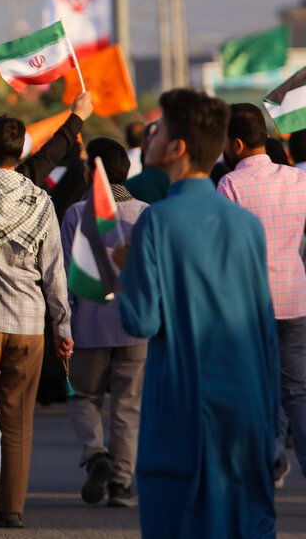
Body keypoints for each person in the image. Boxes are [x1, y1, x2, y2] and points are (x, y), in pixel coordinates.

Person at [116, 89, 278, 539]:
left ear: (177, 147)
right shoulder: (245, 225)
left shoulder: (156, 221)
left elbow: (141, 321)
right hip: (245, 408)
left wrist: (124, 272)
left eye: (159, 128)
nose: (151, 135)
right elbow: (264, 328)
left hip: (181, 409)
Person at [0, 115, 73, 529]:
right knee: (18, 418)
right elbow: (54, 270)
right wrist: (63, 328)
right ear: (21, 152)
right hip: (29, 323)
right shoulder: (40, 200)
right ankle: (11, 510)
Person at [217, 103, 306, 487]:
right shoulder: (298, 180)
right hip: (294, 299)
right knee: (297, 394)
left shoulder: (229, 185)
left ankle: (261, 468)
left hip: (248, 307)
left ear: (235, 143)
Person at [60, 138, 149, 509]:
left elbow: (65, 274)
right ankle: (121, 483)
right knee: (128, 404)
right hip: (135, 326)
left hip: (89, 325)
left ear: (89, 172)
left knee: (83, 397)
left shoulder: (77, 214)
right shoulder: (146, 213)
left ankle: (96, 455)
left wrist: (62, 326)